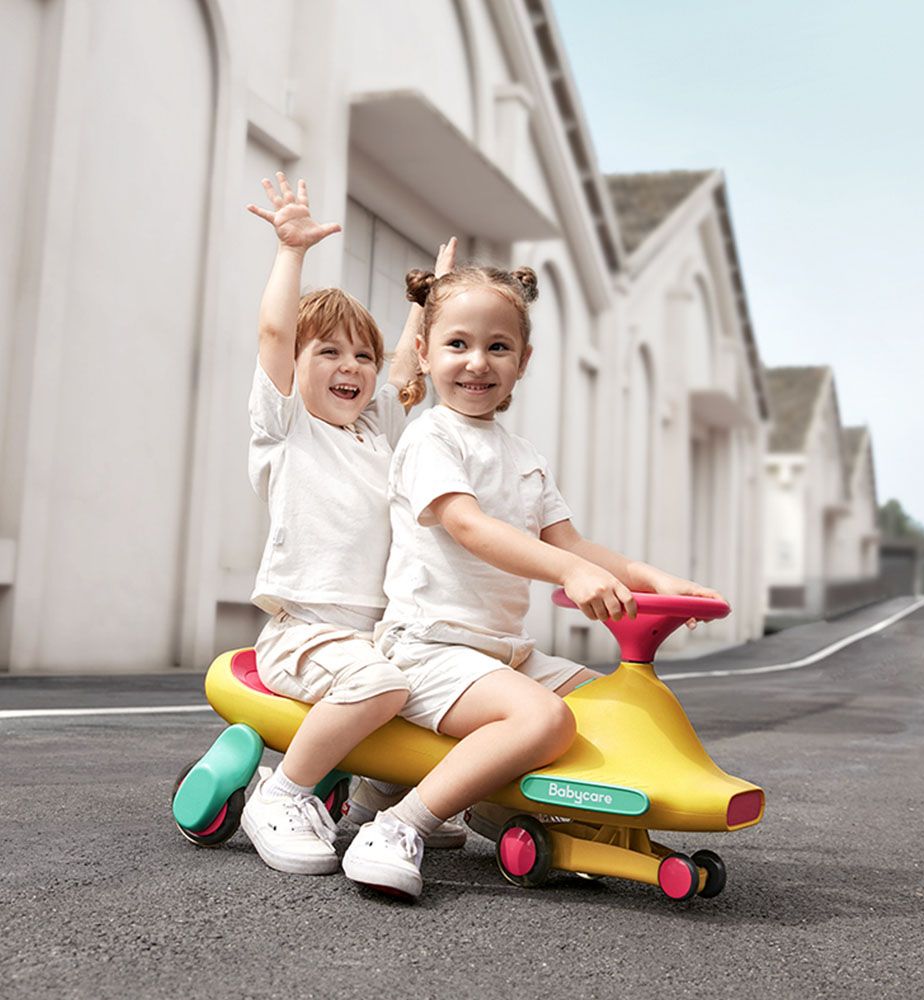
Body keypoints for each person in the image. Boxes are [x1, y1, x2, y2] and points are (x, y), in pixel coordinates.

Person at [340, 263, 723, 898]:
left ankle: (531, 810)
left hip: (501, 653)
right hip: (429, 645)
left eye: (498, 347)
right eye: (457, 344)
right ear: (423, 351)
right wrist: (571, 572)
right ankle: (398, 824)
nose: (477, 363)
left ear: (524, 360)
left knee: (611, 703)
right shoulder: (429, 438)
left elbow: (569, 542)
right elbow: (468, 526)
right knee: (545, 719)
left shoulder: (524, 457)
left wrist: (656, 578)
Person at [239, 172, 463, 876]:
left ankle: (374, 797)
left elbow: (405, 366)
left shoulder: (375, 433)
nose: (351, 367)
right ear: (294, 368)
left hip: (377, 635)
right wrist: (290, 251)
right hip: (304, 632)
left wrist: (435, 302)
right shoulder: (288, 427)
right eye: (328, 352)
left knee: (426, 684)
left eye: (359, 355)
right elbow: (276, 329)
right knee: (382, 685)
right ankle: (282, 794)